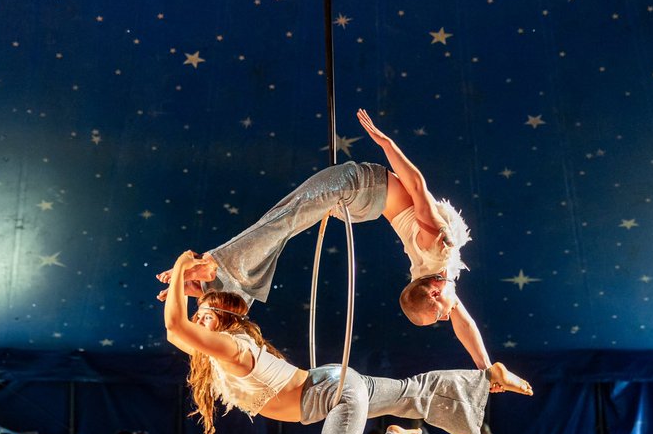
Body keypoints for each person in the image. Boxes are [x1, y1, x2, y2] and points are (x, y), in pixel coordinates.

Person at [161, 251, 530, 434]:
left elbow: (178, 327)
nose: (198, 320)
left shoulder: (232, 347)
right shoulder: (223, 349)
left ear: (223, 323)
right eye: (198, 314)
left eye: (204, 316)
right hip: (334, 382)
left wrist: (180, 269)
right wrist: (186, 292)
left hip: (333, 394)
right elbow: (178, 332)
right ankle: (487, 376)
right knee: (411, 392)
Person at [157, 109, 490, 366]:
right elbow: (417, 186)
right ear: (434, 292)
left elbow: (466, 326)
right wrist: (387, 144)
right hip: (360, 184)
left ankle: (216, 291)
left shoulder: (439, 275)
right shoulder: (438, 243)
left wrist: (485, 366)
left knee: (279, 236)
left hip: (362, 205)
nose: (447, 316)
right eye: (440, 315)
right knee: (281, 221)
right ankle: (213, 266)